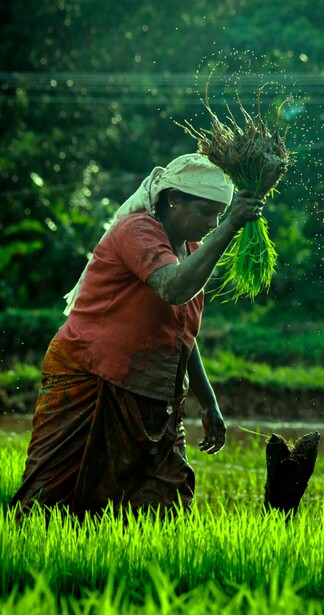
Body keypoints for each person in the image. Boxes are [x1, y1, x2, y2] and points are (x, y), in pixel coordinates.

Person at [10, 153, 263, 519]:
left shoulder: (190, 250)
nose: (213, 223)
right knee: (52, 498)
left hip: (154, 393)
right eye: (207, 212)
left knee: (163, 501)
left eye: (221, 214)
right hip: (91, 375)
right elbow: (174, 289)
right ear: (173, 200)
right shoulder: (137, 231)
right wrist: (232, 226)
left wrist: (208, 401)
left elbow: (181, 334)